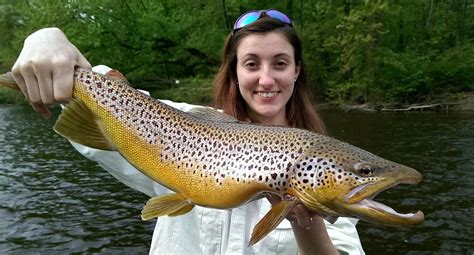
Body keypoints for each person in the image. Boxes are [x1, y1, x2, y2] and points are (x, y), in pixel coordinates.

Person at [11, 9, 365, 255]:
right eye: (252, 64)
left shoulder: (328, 171)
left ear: (297, 71)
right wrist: (49, 40)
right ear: (235, 72)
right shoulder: (182, 127)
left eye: (280, 63)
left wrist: (307, 222)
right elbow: (113, 98)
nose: (266, 79)